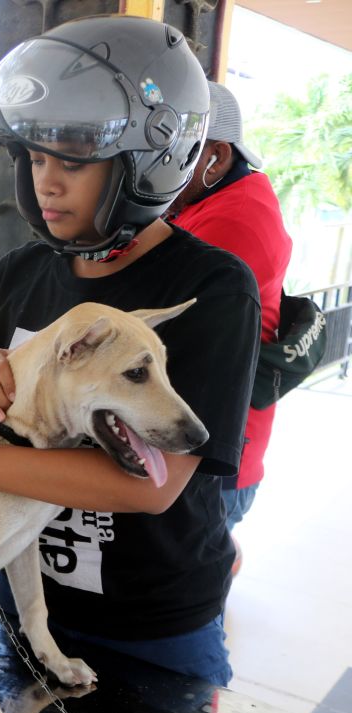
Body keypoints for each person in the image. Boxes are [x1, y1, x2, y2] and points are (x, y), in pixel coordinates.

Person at [0, 16, 260, 687]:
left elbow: (156, 484)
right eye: (37, 159)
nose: (48, 182)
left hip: (152, 626)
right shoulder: (17, 274)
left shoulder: (211, 288)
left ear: (149, 160)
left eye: (73, 160)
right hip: (21, 599)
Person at [168, 81, 291, 547]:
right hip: (213, 442)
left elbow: (172, 322)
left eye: (173, 154)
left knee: (192, 586)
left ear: (215, 158)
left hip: (216, 453)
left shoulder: (232, 218)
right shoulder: (217, 201)